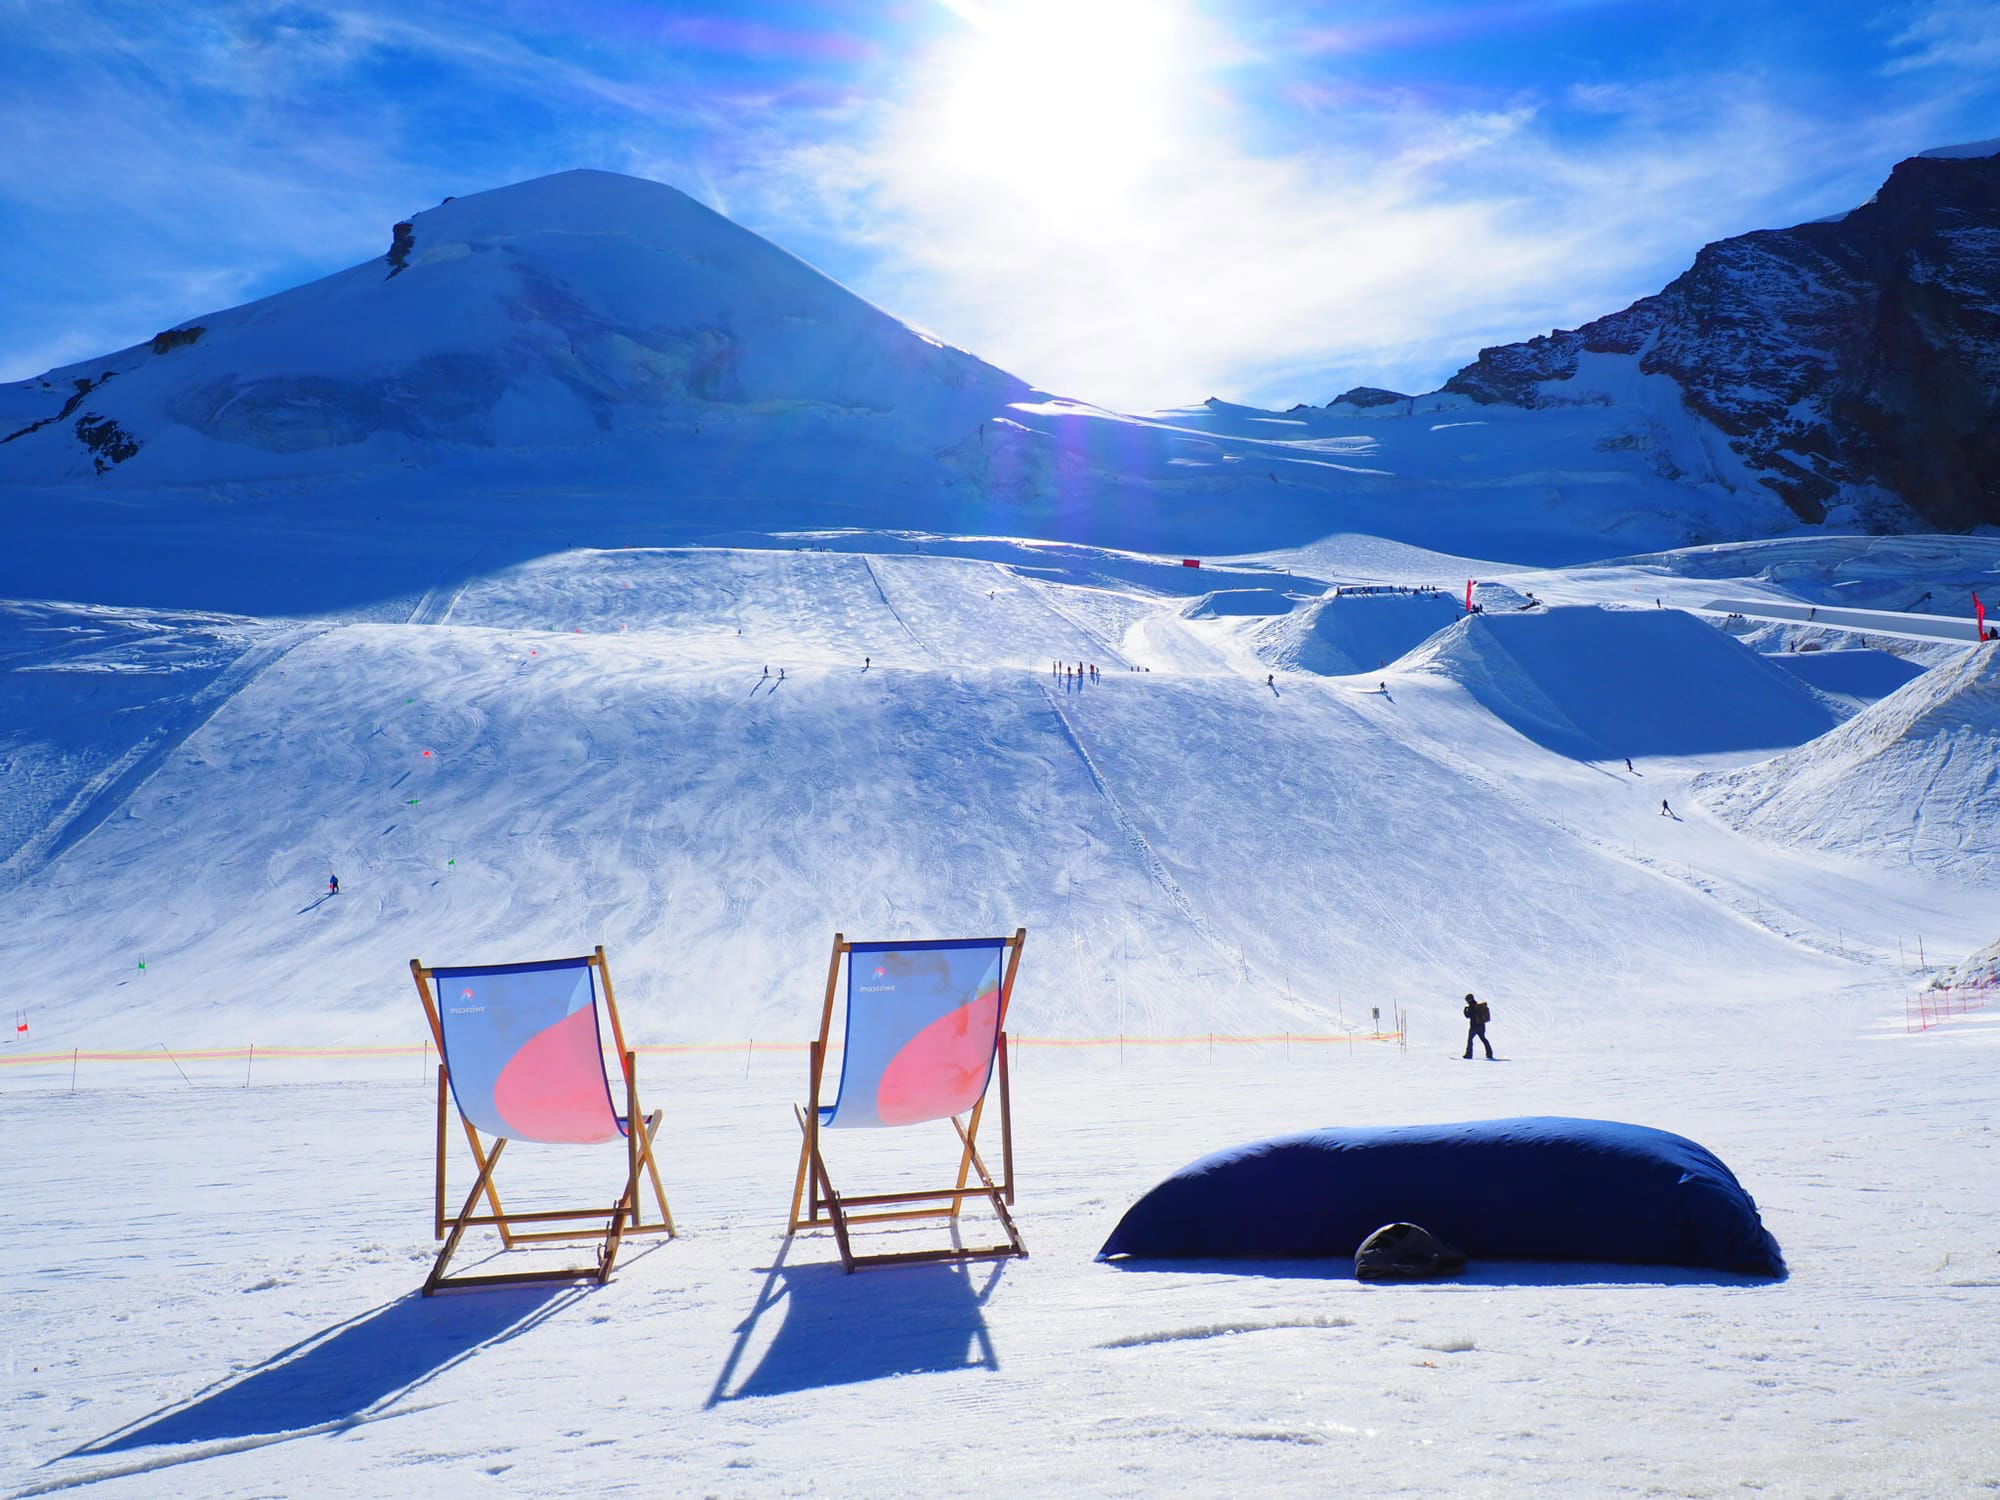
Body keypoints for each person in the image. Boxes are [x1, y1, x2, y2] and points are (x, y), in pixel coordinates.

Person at [1462, 992, 1493, 1059]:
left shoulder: (1471, 1007)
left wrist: (1465, 1010)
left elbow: (1468, 1016)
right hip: (1481, 1026)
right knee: (1483, 1039)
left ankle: (1469, 1054)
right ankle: (1489, 1054)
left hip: (1474, 1027)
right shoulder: (1478, 1006)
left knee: (1470, 1040)